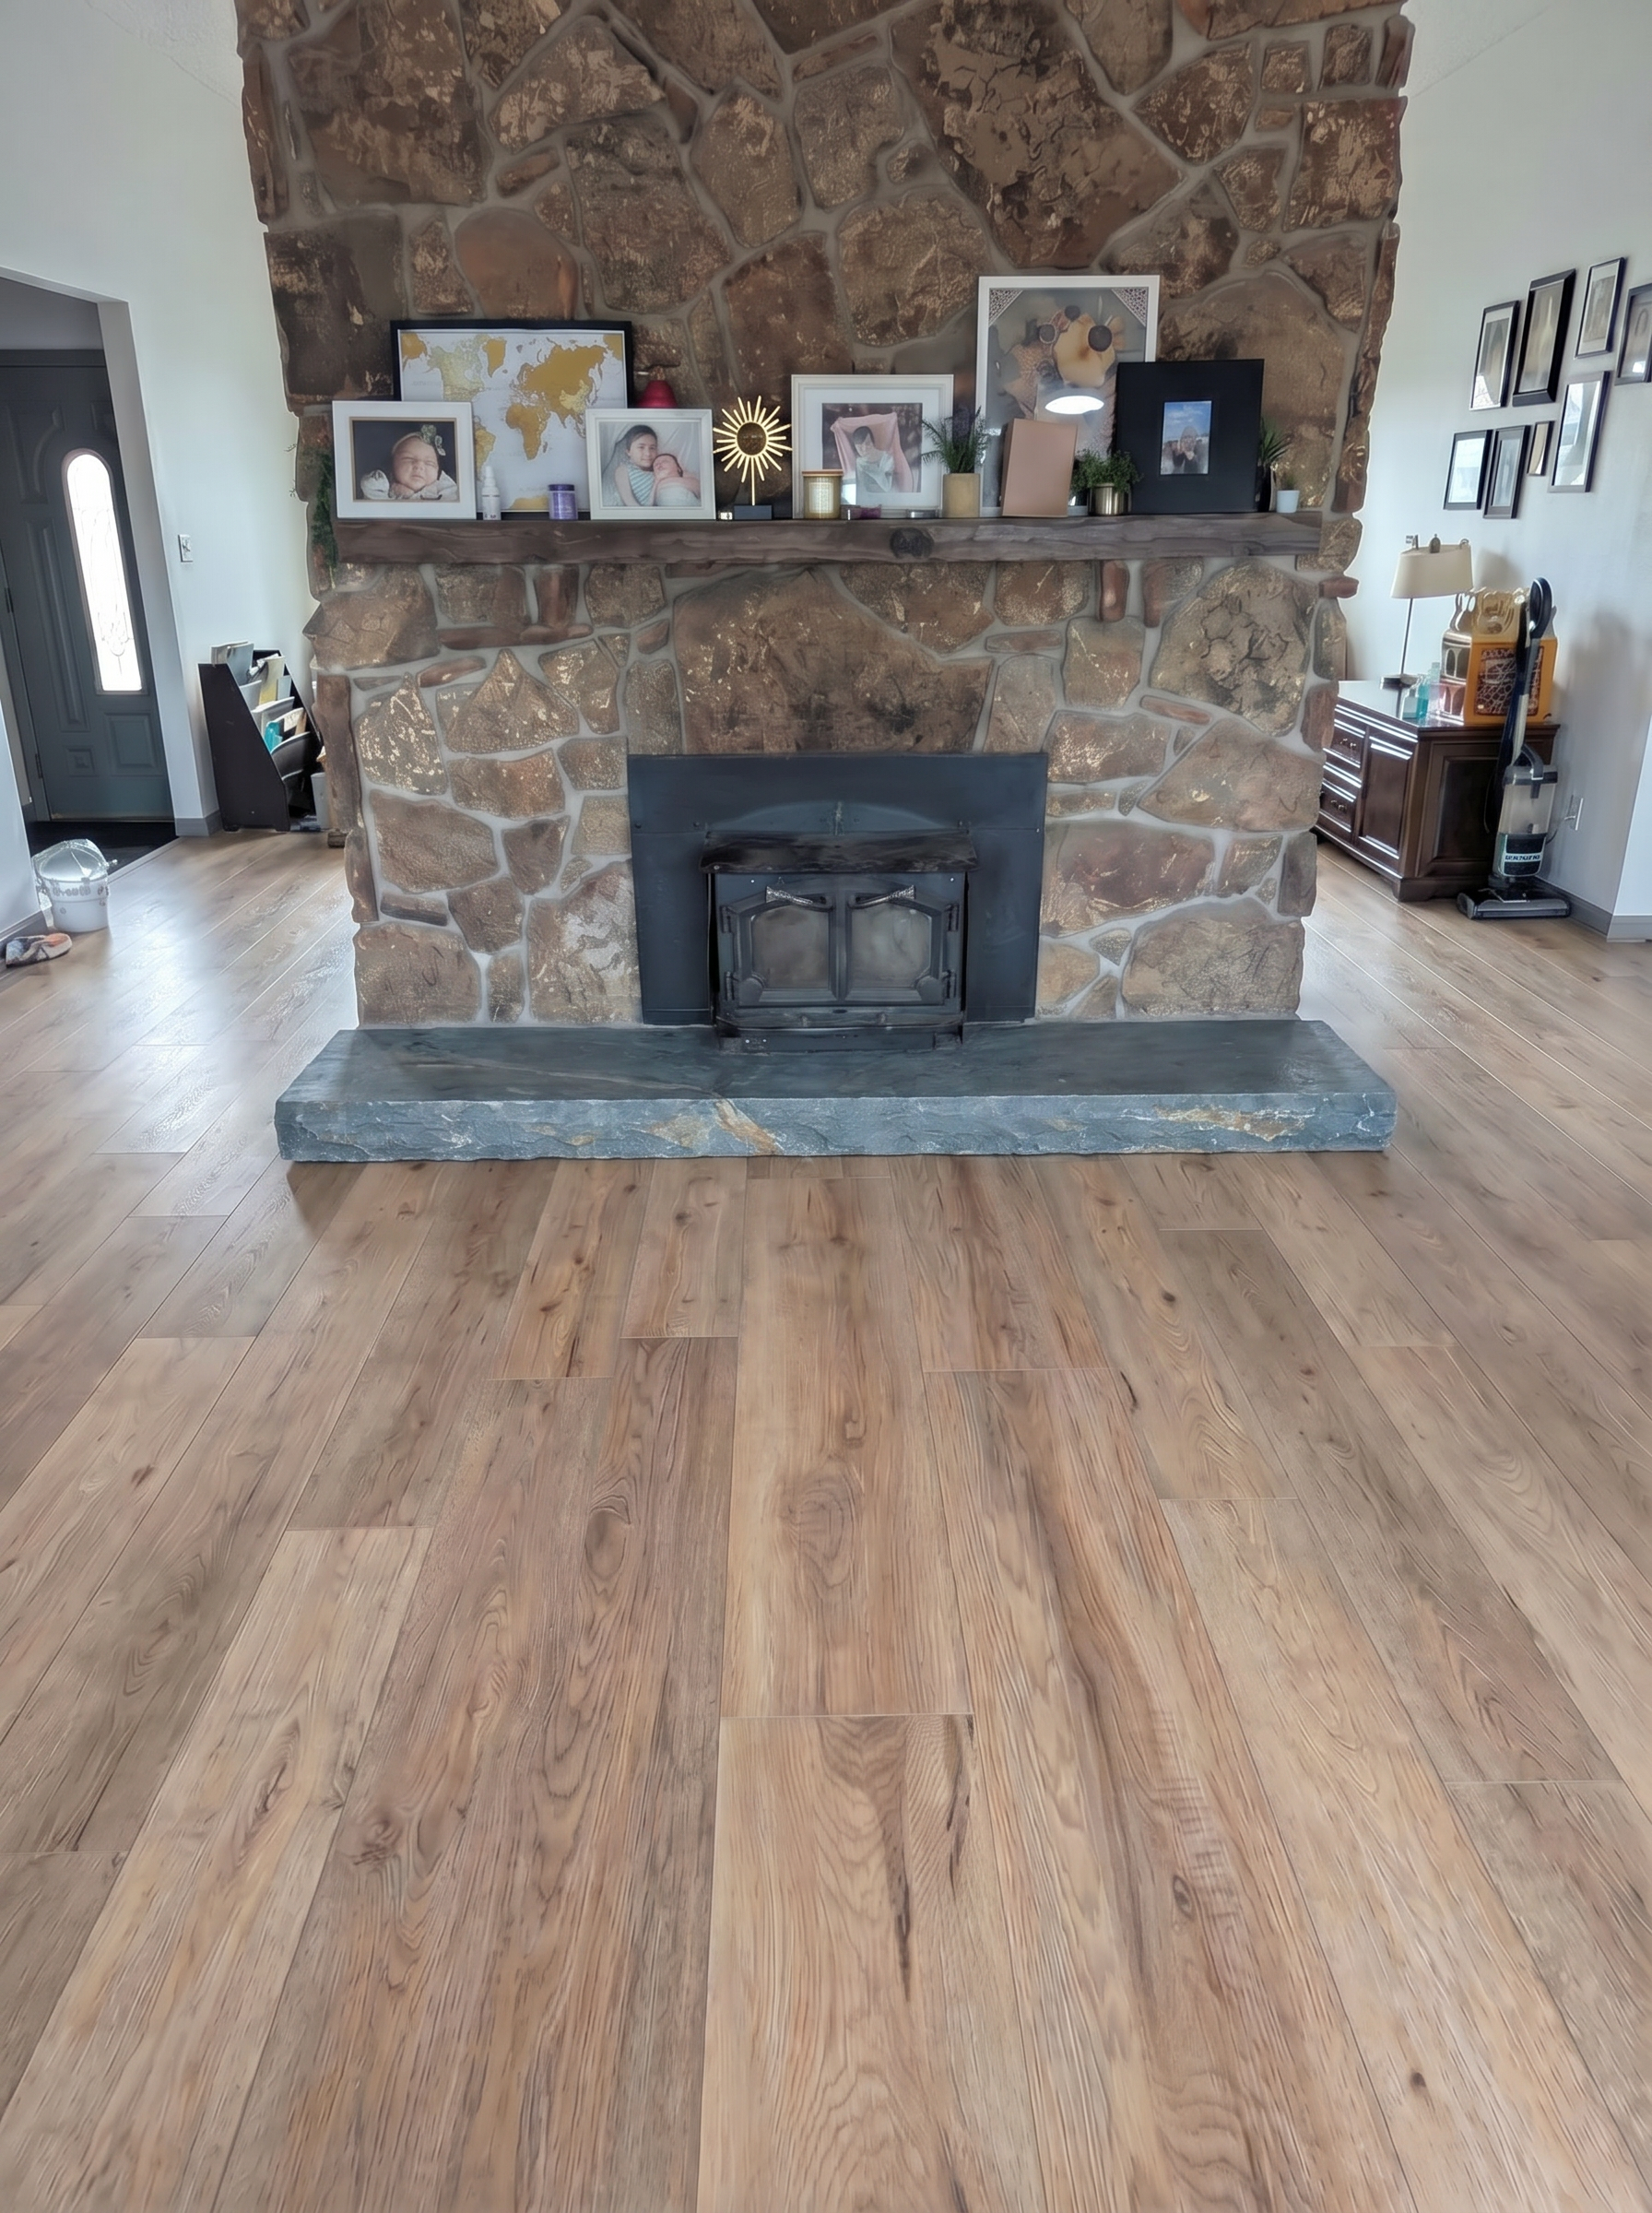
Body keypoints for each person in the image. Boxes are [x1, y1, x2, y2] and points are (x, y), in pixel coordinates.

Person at [360, 428, 458, 503]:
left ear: (438, 471)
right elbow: (368, 486)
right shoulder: (384, 485)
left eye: (429, 463)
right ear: (392, 465)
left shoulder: (443, 487)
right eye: (408, 459)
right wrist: (394, 490)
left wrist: (411, 496)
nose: (419, 466)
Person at [607, 424, 661, 507]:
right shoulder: (623, 470)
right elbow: (630, 502)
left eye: (652, 448)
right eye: (641, 447)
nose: (648, 453)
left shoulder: (658, 469)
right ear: (628, 451)